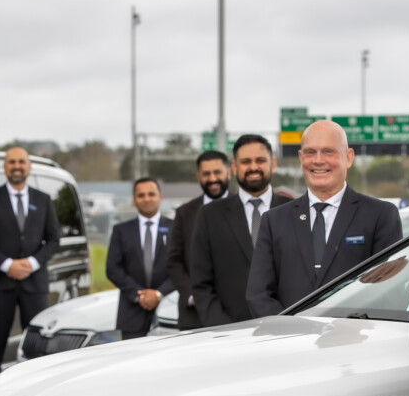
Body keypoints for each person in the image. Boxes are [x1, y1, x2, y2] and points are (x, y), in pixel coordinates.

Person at [246, 120, 402, 317]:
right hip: (289, 334)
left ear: (348, 157)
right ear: (301, 158)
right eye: (310, 152)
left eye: (328, 151)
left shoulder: (380, 215)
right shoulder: (274, 221)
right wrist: (288, 329)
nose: (318, 160)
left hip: (355, 334)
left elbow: (389, 290)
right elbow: (258, 294)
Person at [0, 147, 61, 384]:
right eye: (12, 162)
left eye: (21, 162)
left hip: (34, 283)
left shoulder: (43, 200)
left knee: (37, 344)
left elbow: (54, 239)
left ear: (28, 167)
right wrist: (6, 264)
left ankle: (35, 390)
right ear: (5, 167)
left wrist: (32, 263)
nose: (17, 166)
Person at [190, 135, 292, 326]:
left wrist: (289, 322)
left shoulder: (294, 211)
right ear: (234, 167)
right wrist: (223, 329)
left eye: (260, 160)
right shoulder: (209, 215)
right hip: (228, 331)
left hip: (287, 328)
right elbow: (201, 284)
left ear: (273, 164)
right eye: (246, 162)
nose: (253, 167)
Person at [165, 150, 230, 330]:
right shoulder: (184, 213)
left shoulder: (244, 208)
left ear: (229, 172)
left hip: (237, 314)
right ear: (198, 176)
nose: (212, 178)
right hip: (194, 315)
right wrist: (193, 294)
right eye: (206, 173)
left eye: (217, 172)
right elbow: (174, 261)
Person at [106, 178, 175, 339]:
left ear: (160, 197)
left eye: (151, 194)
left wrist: (159, 293)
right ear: (134, 200)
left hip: (169, 310)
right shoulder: (121, 231)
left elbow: (184, 266)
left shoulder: (176, 227)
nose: (146, 199)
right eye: (141, 195)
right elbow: (112, 268)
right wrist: (139, 295)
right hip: (131, 314)